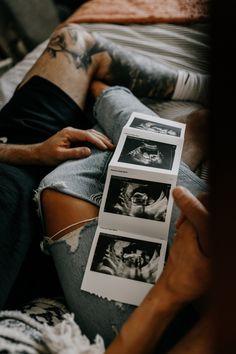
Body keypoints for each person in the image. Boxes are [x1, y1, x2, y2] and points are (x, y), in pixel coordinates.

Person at [0, 23, 208, 344]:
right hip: (42, 247)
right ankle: (135, 122)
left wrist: (28, 152)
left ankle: (151, 123)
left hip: (19, 159)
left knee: (74, 42)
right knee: (66, 186)